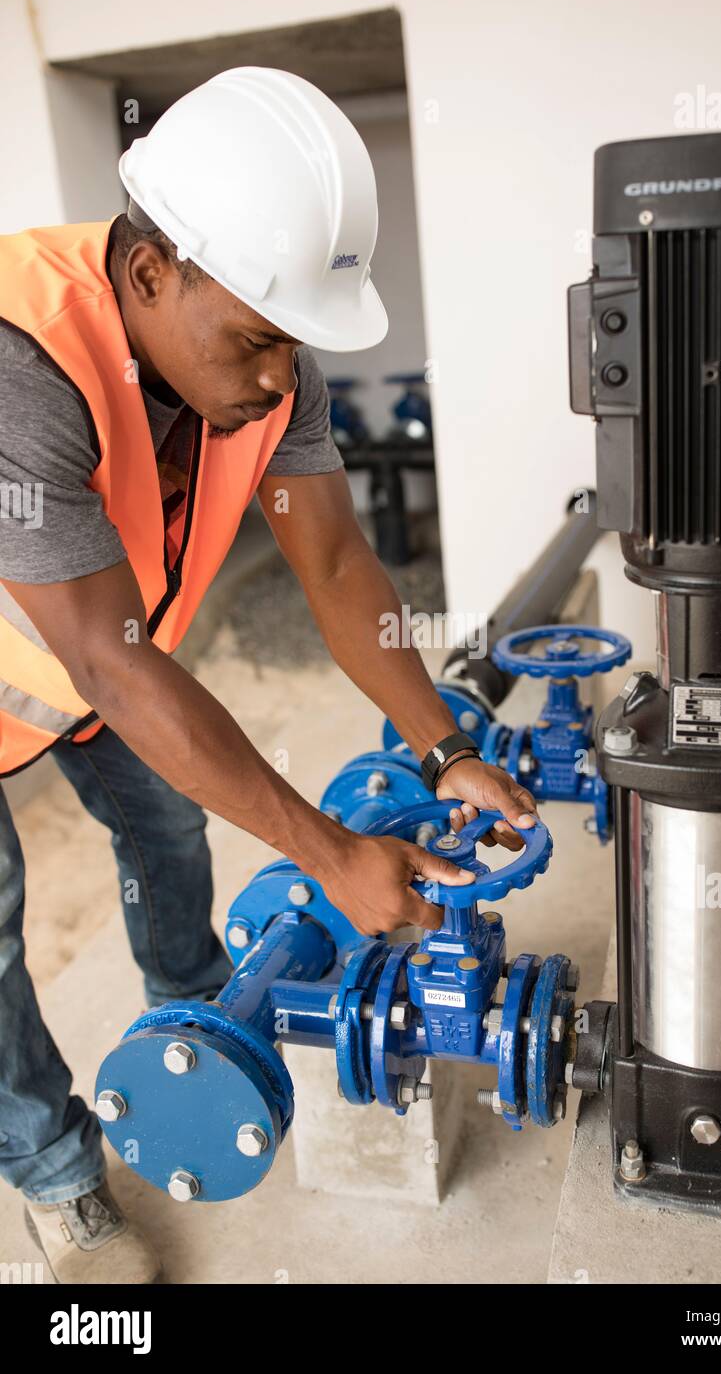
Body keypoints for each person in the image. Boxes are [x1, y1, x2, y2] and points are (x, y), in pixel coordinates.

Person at [0, 68, 537, 1282]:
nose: (279, 377)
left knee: (170, 828)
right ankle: (57, 1177)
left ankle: (207, 1025)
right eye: (256, 339)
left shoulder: (261, 378)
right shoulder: (20, 361)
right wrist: (331, 854)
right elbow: (107, 658)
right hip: (84, 657)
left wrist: (444, 744)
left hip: (95, 665)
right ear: (150, 275)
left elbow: (339, 566)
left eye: (292, 345)